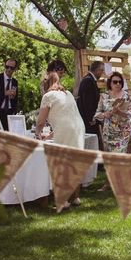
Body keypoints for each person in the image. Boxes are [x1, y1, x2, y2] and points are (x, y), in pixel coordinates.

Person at [35, 71, 85, 208]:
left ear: (45, 84)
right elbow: (65, 117)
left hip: (66, 129)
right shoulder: (67, 93)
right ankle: (75, 197)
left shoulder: (48, 96)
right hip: (78, 128)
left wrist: (37, 133)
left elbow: (40, 121)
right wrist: (50, 135)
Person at [93, 71, 131, 153]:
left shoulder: (126, 96)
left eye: (120, 82)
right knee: (110, 158)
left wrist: (120, 112)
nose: (118, 84)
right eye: (115, 82)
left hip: (123, 132)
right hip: (109, 133)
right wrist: (105, 114)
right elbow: (96, 114)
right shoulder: (104, 96)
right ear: (110, 83)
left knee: (120, 156)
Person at [76, 61, 105, 136]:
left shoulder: (89, 79)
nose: (102, 73)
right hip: (88, 121)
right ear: (97, 70)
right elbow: (88, 102)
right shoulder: (88, 80)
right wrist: (91, 118)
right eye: (102, 70)